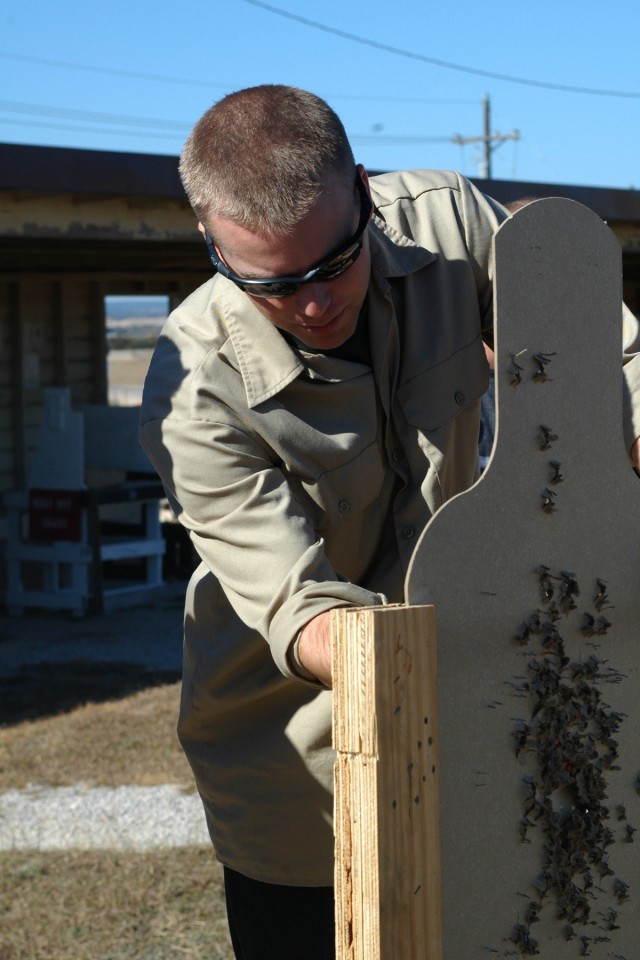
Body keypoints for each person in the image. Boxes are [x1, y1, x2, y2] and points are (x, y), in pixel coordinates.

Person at [139, 85, 640, 958]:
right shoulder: (195, 397)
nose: (311, 306)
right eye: (271, 285)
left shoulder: (447, 222)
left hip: (493, 697)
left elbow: (605, 358)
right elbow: (308, 614)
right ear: (211, 245)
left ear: (365, 199)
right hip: (299, 753)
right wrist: (446, 659)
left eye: (332, 266)